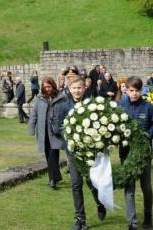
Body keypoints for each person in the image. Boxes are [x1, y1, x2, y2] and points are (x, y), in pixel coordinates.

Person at [59, 74, 105, 229]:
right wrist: (69, 142)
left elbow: (99, 125)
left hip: (89, 152)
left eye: (79, 88)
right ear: (69, 88)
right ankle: (80, 219)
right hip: (73, 152)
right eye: (74, 88)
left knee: (92, 182)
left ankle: (100, 203)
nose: (77, 91)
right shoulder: (64, 106)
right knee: (76, 184)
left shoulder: (92, 105)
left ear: (85, 88)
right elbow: (58, 128)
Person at [122, 76, 153, 230]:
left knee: (146, 186)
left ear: (141, 91)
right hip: (126, 153)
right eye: (131, 90)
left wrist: (148, 134)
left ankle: (147, 217)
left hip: (144, 154)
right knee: (129, 189)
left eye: (137, 90)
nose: (134, 93)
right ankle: (132, 222)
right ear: (126, 91)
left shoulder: (148, 107)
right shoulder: (121, 106)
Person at [28, 77, 66, 189]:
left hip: (55, 131)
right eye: (45, 87)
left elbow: (65, 113)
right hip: (43, 131)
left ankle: (52, 179)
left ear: (53, 86)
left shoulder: (61, 98)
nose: (47, 89)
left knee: (53, 153)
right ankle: (54, 177)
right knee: (48, 154)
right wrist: (31, 128)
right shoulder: (39, 99)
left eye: (49, 87)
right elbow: (34, 114)